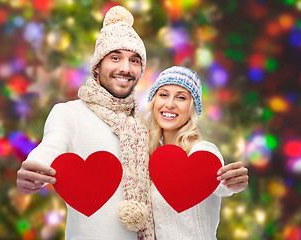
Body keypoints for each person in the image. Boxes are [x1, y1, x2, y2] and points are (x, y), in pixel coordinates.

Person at [16, 6, 154, 240]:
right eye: (115, 57)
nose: (125, 68)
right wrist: (34, 168)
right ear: (97, 66)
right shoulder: (69, 114)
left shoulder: (143, 127)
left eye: (134, 60)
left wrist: (226, 183)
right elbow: (52, 146)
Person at [142, 66, 249, 240]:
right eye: (163, 94)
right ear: (154, 101)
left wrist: (232, 183)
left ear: (192, 108)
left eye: (181, 97)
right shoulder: (150, 158)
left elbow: (220, 184)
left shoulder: (202, 151)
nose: (169, 104)